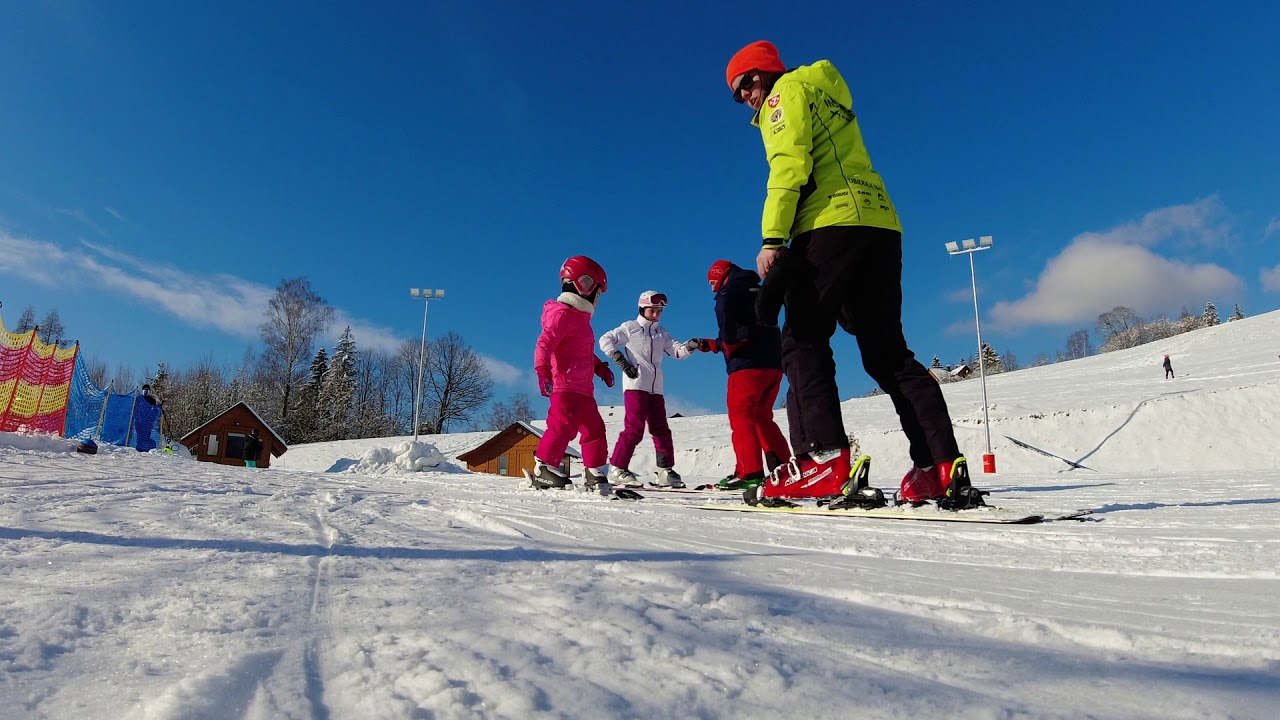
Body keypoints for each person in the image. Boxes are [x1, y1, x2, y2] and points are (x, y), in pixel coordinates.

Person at [724, 40, 981, 508]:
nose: (744, 99)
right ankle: (939, 466)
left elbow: (788, 167)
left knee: (802, 338)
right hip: (880, 224)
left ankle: (824, 459)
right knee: (887, 353)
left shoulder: (784, 97)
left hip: (829, 224)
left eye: (743, 86)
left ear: (760, 75)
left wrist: (772, 239)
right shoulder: (828, 94)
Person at [703, 259, 791, 490]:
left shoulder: (728, 290)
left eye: (713, 282)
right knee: (762, 416)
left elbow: (726, 318)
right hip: (773, 364)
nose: (713, 288)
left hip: (746, 368)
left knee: (741, 416)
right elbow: (753, 329)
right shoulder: (758, 288)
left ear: (721, 275)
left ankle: (748, 472)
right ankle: (783, 468)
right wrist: (715, 345)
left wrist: (728, 343)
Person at [530, 255, 615, 490]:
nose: (598, 300)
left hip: (584, 390)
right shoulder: (561, 315)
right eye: (598, 294)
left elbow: (583, 352)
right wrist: (543, 371)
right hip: (565, 386)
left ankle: (594, 470)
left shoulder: (581, 321)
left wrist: (600, 368)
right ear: (584, 285)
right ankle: (543, 467)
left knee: (595, 428)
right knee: (562, 426)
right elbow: (544, 344)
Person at [599, 290, 697, 488]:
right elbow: (605, 340)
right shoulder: (630, 328)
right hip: (635, 386)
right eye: (653, 311)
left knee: (661, 429)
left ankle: (664, 471)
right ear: (642, 309)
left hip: (656, 389)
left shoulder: (662, 333)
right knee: (634, 429)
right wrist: (621, 361)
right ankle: (617, 468)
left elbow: (677, 351)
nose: (656, 315)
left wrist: (691, 345)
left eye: (659, 311)